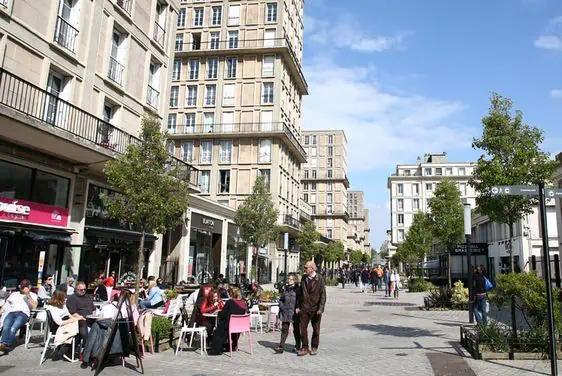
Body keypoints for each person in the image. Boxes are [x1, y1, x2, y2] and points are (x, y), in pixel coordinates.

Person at [297, 261, 326, 357]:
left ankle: (314, 347)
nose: (304, 269)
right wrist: (298, 306)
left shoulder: (320, 279)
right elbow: (300, 293)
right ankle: (304, 347)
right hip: (305, 307)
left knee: (316, 329)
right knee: (303, 328)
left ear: (312, 268)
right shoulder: (304, 278)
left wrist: (320, 308)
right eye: (304, 267)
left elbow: (323, 295)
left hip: (315, 308)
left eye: (306, 268)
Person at [0, 279, 38, 353]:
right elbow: (7, 303)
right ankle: (3, 345)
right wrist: (2, 309)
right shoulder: (15, 294)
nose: (23, 289)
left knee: (13, 328)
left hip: (23, 313)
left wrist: (28, 295)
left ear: (29, 287)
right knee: (6, 327)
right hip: (12, 312)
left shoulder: (33, 295)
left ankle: (5, 345)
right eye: (22, 287)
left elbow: (34, 306)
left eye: (25, 287)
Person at [66, 281, 95, 368]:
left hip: (91, 318)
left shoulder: (88, 297)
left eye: (84, 289)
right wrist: (81, 317)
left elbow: (93, 308)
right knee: (84, 330)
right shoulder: (72, 298)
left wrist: (96, 315)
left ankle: (98, 353)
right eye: (81, 290)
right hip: (78, 319)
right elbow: (72, 312)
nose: (83, 291)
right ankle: (86, 358)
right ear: (76, 289)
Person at [210, 287, 247, 355]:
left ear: (232, 294)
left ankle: (216, 349)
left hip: (229, 326)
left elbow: (222, 314)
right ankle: (232, 345)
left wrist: (218, 312)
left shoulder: (230, 302)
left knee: (218, 329)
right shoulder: (243, 303)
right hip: (239, 327)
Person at [274, 272, 301, 354]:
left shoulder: (298, 289)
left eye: (290, 279)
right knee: (284, 329)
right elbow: (281, 299)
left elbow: (300, 300)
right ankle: (281, 346)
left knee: (296, 329)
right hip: (285, 311)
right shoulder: (285, 288)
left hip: (294, 312)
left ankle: (297, 346)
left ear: (295, 280)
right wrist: (281, 306)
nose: (288, 280)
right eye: (288, 278)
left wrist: (298, 307)